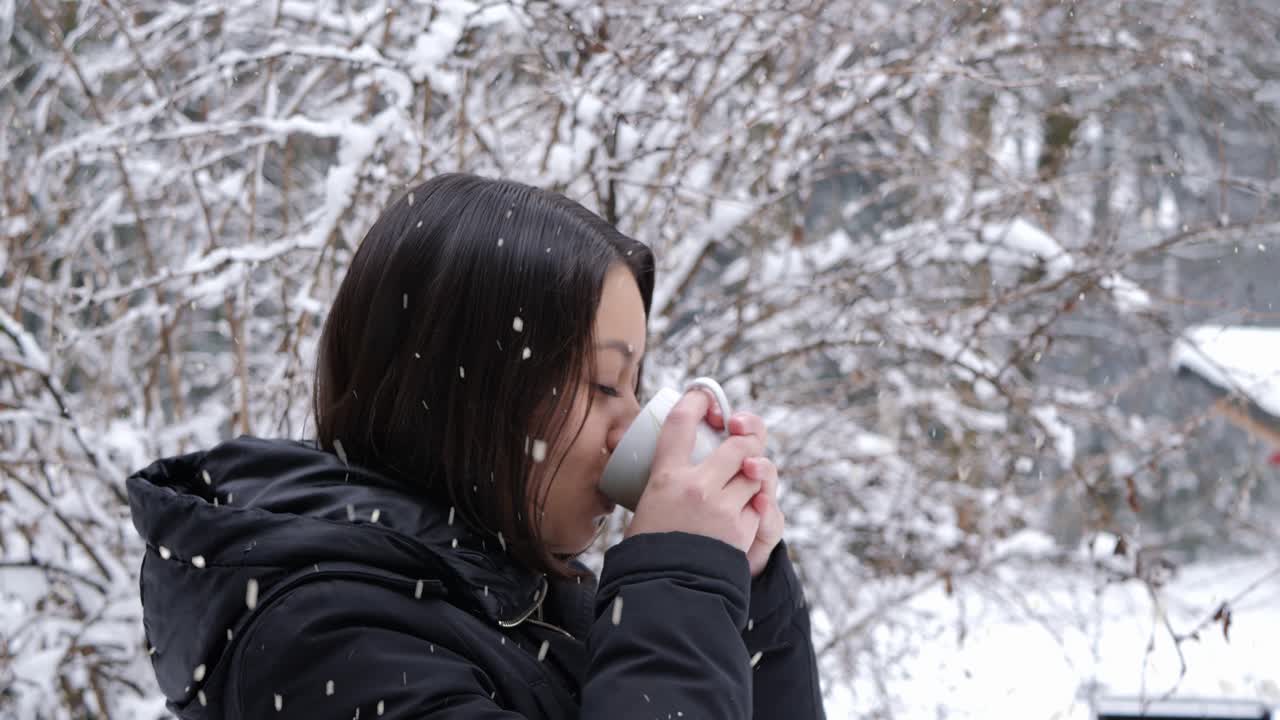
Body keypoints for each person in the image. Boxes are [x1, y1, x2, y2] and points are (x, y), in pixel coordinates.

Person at [127, 173, 825, 719]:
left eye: (633, 385)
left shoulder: (538, 609)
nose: (630, 425)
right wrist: (681, 585)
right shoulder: (325, 641)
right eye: (603, 384)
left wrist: (745, 600)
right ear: (466, 390)